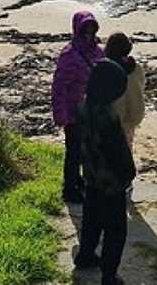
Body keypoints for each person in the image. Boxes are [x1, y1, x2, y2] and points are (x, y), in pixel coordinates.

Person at [74, 58, 135, 285]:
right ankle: (109, 276)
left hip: (90, 177)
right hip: (111, 184)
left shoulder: (83, 107)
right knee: (115, 232)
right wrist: (129, 173)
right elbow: (118, 154)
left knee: (90, 222)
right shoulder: (108, 117)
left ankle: (85, 255)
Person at [51, 11, 105, 204]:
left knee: (88, 149)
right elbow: (59, 86)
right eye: (85, 30)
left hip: (92, 110)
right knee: (73, 152)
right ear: (78, 29)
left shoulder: (99, 51)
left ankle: (81, 180)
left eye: (92, 29)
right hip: (74, 111)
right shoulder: (69, 54)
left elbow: (107, 73)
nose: (89, 34)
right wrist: (60, 113)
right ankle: (69, 189)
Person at [105, 32, 146, 151]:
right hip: (134, 112)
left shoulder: (108, 68)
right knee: (127, 146)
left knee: (111, 149)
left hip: (114, 115)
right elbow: (142, 85)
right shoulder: (136, 68)